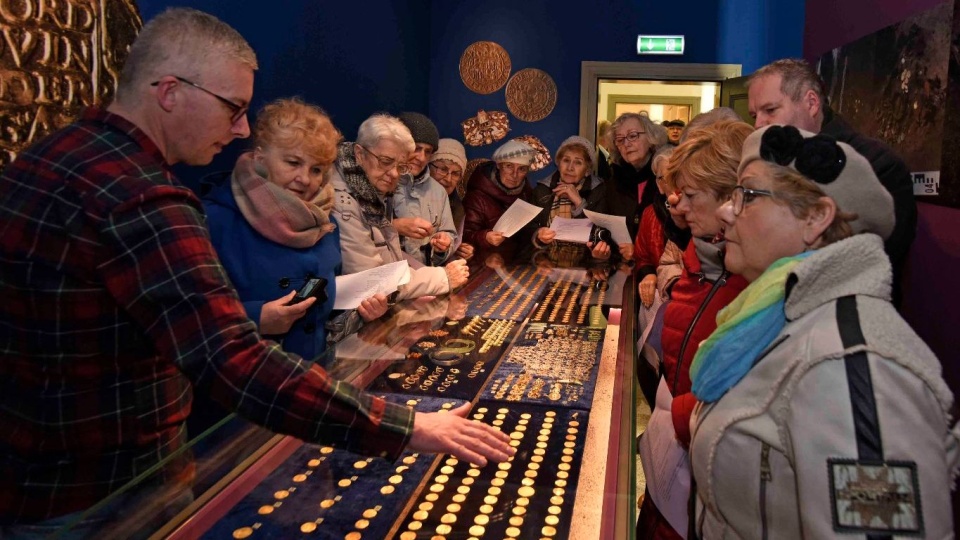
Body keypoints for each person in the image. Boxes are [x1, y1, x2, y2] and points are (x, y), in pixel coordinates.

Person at [0, 8, 511, 531]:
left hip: (51, 480)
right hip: (101, 495)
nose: (240, 126)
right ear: (170, 91)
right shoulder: (145, 197)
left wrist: (328, 300)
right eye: (233, 108)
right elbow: (230, 354)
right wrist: (405, 428)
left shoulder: (55, 157)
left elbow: (304, 287)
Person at [689, 125, 958, 538]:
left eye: (747, 195)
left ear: (816, 218)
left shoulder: (855, 365)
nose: (727, 211)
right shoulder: (774, 317)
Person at [202, 98, 389, 361]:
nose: (305, 179)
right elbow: (183, 319)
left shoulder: (325, 222)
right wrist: (256, 318)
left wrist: (361, 311)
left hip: (312, 379)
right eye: (292, 163)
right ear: (260, 158)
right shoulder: (214, 220)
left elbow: (324, 306)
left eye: (316, 169)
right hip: (246, 384)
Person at [636, 121, 752, 540]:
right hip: (676, 463)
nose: (674, 202)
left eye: (688, 194)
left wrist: (681, 418)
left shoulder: (753, 276)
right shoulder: (697, 252)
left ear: (731, 198)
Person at [746, 58, 916, 305]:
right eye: (754, 114)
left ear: (812, 103)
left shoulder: (878, 164)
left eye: (770, 110)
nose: (758, 124)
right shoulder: (768, 165)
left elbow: (876, 259)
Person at [330, 113, 470, 299]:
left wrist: (442, 250)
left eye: (401, 166)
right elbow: (372, 281)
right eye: (386, 162)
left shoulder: (374, 188)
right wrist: (442, 278)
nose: (394, 173)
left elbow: (389, 267)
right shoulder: (345, 202)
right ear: (359, 154)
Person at [530, 135, 631, 261]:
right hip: (547, 262)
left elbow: (605, 232)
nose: (570, 168)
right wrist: (538, 234)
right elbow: (529, 229)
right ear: (559, 163)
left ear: (587, 170)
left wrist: (579, 203)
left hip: (587, 263)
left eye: (578, 162)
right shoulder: (542, 190)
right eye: (566, 160)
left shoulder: (600, 191)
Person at [392, 112, 458, 266]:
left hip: (424, 278)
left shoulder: (438, 191)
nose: (421, 157)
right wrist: (395, 226)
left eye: (427, 151)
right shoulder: (381, 182)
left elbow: (450, 235)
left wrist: (443, 245)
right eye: (416, 148)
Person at [462, 139, 537, 255]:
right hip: (484, 263)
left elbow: (527, 234)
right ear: (498, 165)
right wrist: (484, 237)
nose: (514, 174)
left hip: (515, 264)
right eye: (509, 166)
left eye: (521, 169)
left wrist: (538, 234)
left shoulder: (527, 194)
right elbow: (463, 236)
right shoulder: (477, 197)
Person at [607, 113, 668, 239]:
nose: (626, 144)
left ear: (652, 138)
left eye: (633, 136)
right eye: (620, 139)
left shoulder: (665, 174)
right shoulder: (614, 182)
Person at [429, 138, 475, 260]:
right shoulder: (411, 198)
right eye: (443, 169)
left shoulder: (457, 209)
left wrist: (457, 250)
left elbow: (446, 251)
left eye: (455, 173)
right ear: (428, 167)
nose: (448, 179)